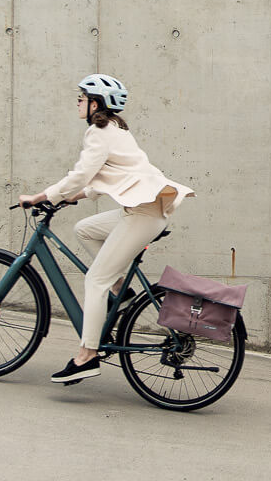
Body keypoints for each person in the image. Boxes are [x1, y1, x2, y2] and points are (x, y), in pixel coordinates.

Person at [19, 74, 193, 385]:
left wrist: (42, 196)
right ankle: (121, 291)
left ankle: (87, 356)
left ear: (95, 104)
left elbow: (83, 172)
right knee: (85, 229)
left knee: (94, 279)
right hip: (143, 210)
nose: (78, 102)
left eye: (82, 98)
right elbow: (113, 173)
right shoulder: (115, 130)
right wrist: (75, 197)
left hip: (142, 214)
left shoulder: (98, 132)